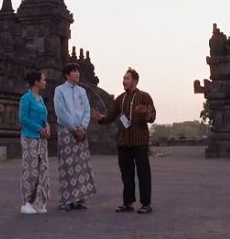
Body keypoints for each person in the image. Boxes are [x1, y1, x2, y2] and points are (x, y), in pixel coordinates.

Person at [94, 67, 156, 214]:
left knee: (143, 173)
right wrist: (101, 118)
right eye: (123, 78)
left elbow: (152, 117)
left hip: (140, 141)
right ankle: (127, 203)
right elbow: (111, 115)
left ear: (135, 81)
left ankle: (146, 204)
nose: (124, 81)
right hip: (124, 141)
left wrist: (146, 113)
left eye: (127, 78)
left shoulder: (144, 96)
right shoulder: (120, 99)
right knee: (126, 173)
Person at [53, 62, 97, 211]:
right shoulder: (59, 90)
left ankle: (78, 199)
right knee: (67, 165)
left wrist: (83, 127)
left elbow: (87, 110)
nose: (77, 74)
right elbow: (60, 111)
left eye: (78, 71)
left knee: (80, 165)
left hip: (81, 131)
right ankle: (66, 200)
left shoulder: (82, 91)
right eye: (74, 71)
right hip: (67, 130)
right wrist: (74, 127)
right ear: (67, 75)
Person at [18, 70, 51, 214]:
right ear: (36, 82)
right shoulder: (26, 98)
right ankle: (26, 202)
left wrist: (47, 128)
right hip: (30, 137)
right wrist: (39, 129)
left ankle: (39, 201)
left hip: (41, 139)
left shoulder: (40, 99)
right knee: (30, 170)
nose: (45, 82)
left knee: (42, 169)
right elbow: (23, 118)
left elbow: (44, 117)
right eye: (43, 79)